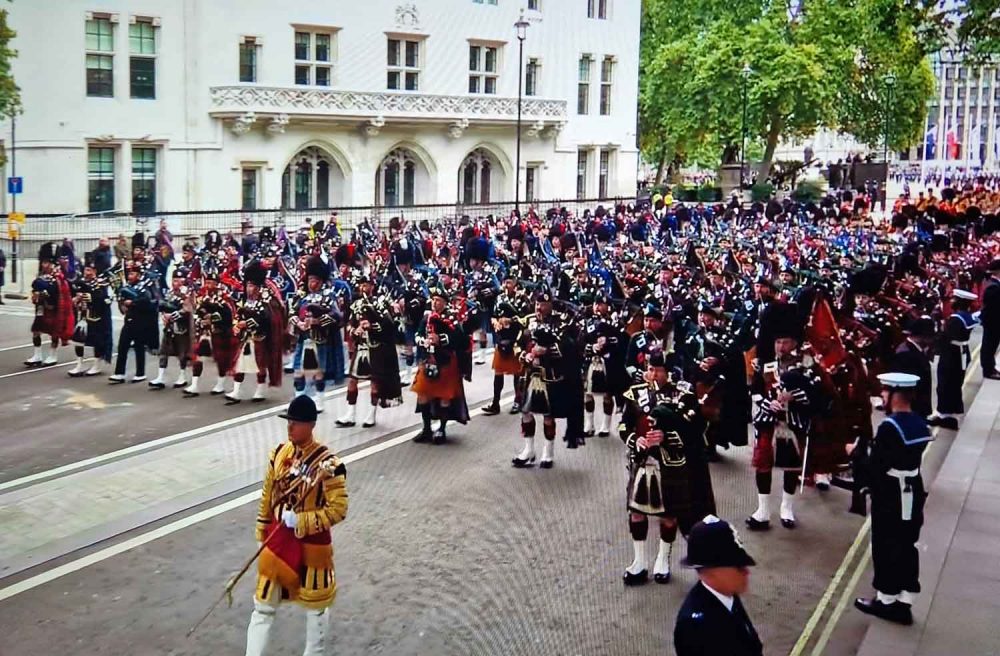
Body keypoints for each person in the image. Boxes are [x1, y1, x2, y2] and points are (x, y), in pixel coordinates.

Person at [245, 395, 348, 656]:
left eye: (297, 423)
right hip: (278, 541)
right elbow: (267, 497)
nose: (290, 427)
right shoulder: (279, 455)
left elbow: (338, 510)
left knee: (316, 608)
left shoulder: (330, 465)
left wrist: (300, 520)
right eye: (289, 421)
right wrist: (261, 530)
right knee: (263, 605)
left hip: (313, 547)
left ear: (311, 425)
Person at [854, 372, 932, 626]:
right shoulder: (919, 423)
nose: (883, 396)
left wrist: (856, 455)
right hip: (913, 489)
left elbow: (876, 467)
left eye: (886, 391)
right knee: (907, 543)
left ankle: (887, 601)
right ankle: (905, 598)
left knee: (886, 544)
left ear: (895, 394)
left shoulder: (890, 427)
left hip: (890, 493)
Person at [673, 515, 762, 656]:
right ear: (712, 571)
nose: (746, 572)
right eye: (738, 566)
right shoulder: (695, 629)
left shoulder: (727, 595)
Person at [928, 289, 979, 429]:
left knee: (945, 382)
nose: (951, 301)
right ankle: (950, 409)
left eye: (954, 299)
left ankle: (944, 413)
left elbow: (946, 336)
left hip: (951, 353)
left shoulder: (956, 319)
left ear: (959, 302)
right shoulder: (966, 316)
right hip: (961, 352)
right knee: (955, 382)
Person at [981, 259, 1000, 380]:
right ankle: (988, 369)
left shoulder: (993, 284)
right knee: (989, 345)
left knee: (992, 345)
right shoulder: (993, 287)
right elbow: (993, 307)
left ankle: (990, 367)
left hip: (993, 321)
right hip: (993, 322)